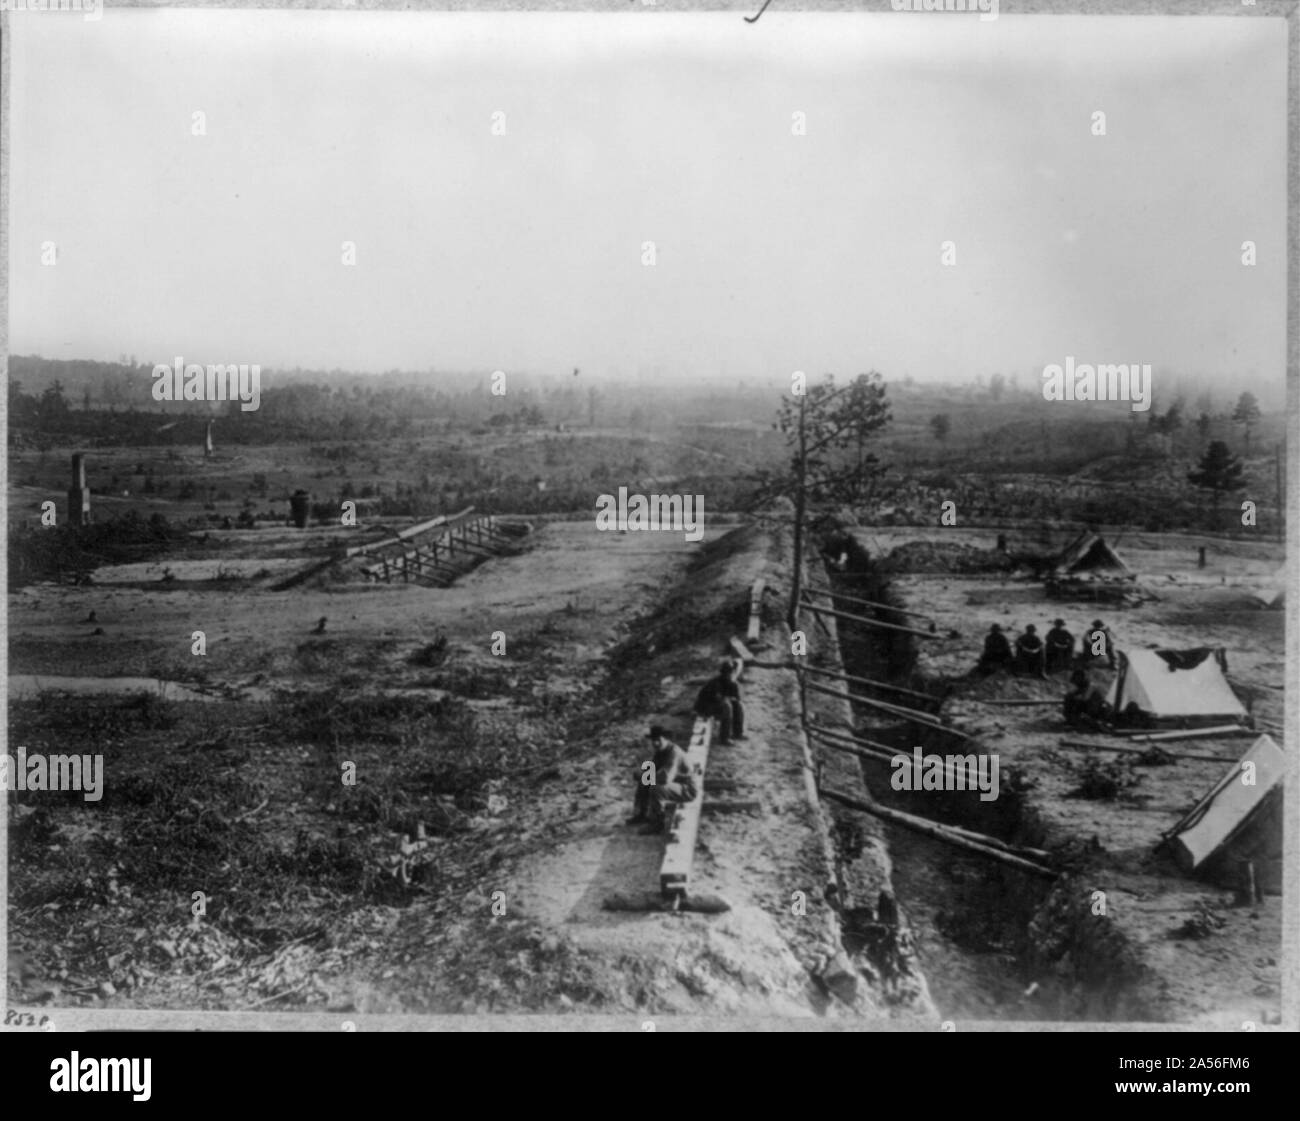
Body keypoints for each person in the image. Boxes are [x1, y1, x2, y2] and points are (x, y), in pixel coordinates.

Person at [628, 725, 696, 832]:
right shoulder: (661, 751)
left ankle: (657, 824)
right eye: (653, 740)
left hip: (687, 789)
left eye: (658, 740)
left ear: (666, 739)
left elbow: (665, 778)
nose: (655, 743)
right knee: (644, 782)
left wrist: (644, 776)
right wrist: (642, 773)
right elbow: (652, 769)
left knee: (656, 787)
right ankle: (642, 814)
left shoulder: (674, 753)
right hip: (675, 784)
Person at [695, 660, 745, 745]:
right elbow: (717, 699)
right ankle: (724, 738)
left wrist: (735, 700)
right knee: (727, 707)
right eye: (727, 673)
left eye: (731, 672)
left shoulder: (733, 684)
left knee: (738, 705)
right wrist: (728, 700)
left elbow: (737, 698)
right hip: (704, 706)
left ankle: (738, 733)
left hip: (717, 705)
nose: (729, 675)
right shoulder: (715, 683)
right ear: (723, 673)